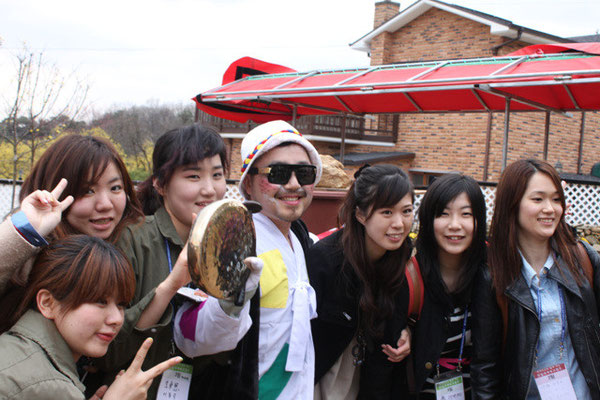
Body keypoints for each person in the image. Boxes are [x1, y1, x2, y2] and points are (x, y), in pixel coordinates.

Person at [99, 124, 262, 399]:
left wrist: (233, 304)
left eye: (217, 175)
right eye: (193, 176)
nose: (209, 189)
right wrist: (171, 285)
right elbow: (106, 348)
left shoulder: (226, 244)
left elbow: (224, 354)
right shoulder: (132, 240)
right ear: (160, 184)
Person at [470, 159, 600, 399]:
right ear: (512, 204)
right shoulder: (493, 276)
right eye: (538, 199)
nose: (550, 209)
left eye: (556, 199)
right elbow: (485, 367)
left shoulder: (582, 260)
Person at [0, 235, 181, 399]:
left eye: (121, 304)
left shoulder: (13, 346)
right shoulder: (50, 387)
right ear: (47, 303)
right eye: (100, 301)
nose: (117, 319)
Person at [0, 134, 143, 330]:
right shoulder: (31, 249)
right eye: (88, 191)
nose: (105, 204)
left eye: (115, 188)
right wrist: (24, 231)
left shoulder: (133, 243)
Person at [308, 164, 415, 399]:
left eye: (406, 211)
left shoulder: (404, 258)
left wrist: (407, 331)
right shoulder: (325, 260)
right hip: (322, 377)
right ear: (360, 215)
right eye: (386, 212)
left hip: (373, 379)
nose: (399, 223)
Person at [238, 120, 322, 400]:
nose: (294, 184)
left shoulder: (300, 240)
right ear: (248, 183)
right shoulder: (239, 243)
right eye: (279, 173)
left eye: (305, 173)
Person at [410, 174, 487, 399]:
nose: (454, 225)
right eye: (443, 214)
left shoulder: (493, 273)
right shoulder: (409, 276)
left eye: (466, 214)